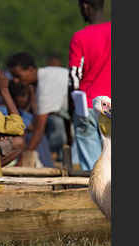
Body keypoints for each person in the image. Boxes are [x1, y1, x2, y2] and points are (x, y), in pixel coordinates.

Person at [68, 0, 111, 171]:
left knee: (94, 168)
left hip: (87, 105)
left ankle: (95, 197)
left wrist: (71, 105)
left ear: (86, 6)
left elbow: (74, 77)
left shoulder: (80, 37)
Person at [6, 52, 70, 162]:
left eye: (18, 76)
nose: (16, 81)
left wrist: (23, 160)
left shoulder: (45, 85)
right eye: (13, 77)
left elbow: (39, 130)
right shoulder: (47, 75)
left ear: (30, 69)